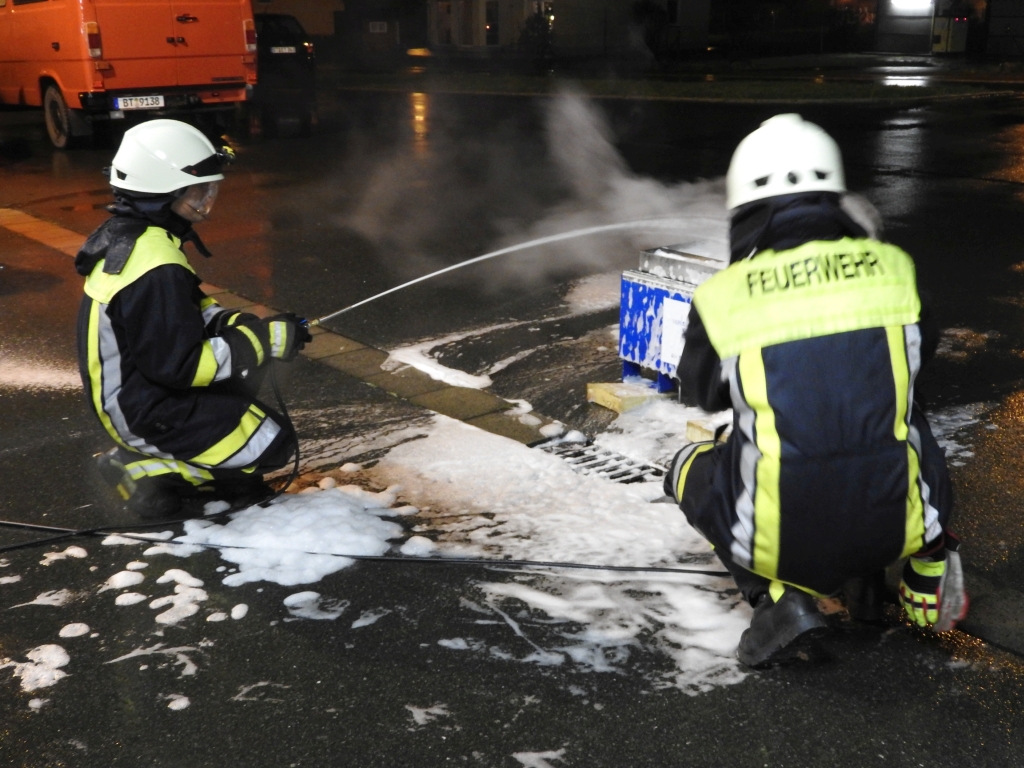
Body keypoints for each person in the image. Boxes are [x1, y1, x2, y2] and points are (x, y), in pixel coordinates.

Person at [666, 114, 968, 668]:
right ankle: (923, 562)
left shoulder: (722, 297)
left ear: (745, 204)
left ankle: (775, 601)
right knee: (906, 412)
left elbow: (704, 393)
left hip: (782, 542)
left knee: (688, 466)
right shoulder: (895, 269)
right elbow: (919, 358)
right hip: (895, 527)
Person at [75, 119, 311, 518]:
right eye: (198, 190)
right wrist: (266, 340)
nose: (207, 198)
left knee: (243, 378)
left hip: (135, 395)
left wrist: (234, 325)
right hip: (142, 409)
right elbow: (181, 366)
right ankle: (143, 468)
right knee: (271, 443)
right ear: (162, 192)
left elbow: (187, 311)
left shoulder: (140, 237)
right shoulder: (156, 267)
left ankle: (175, 459)